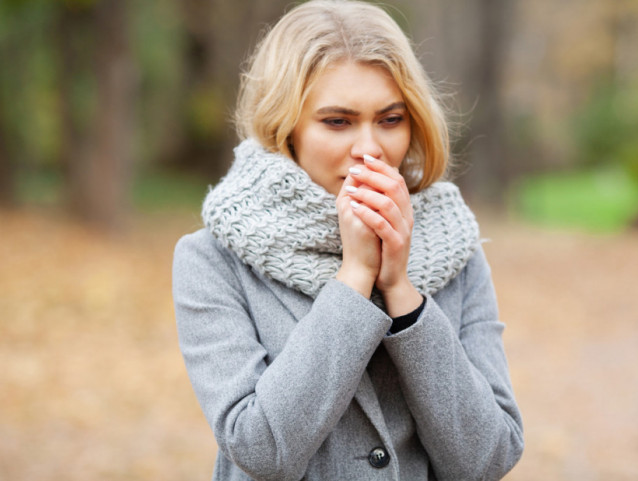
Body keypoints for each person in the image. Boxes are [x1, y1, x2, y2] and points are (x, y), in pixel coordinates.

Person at [172, 1, 523, 479]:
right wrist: (356, 275)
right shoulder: (212, 259)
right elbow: (259, 447)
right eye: (337, 121)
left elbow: (490, 457)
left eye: (390, 119)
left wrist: (402, 290)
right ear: (285, 126)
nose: (369, 149)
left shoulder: (453, 246)